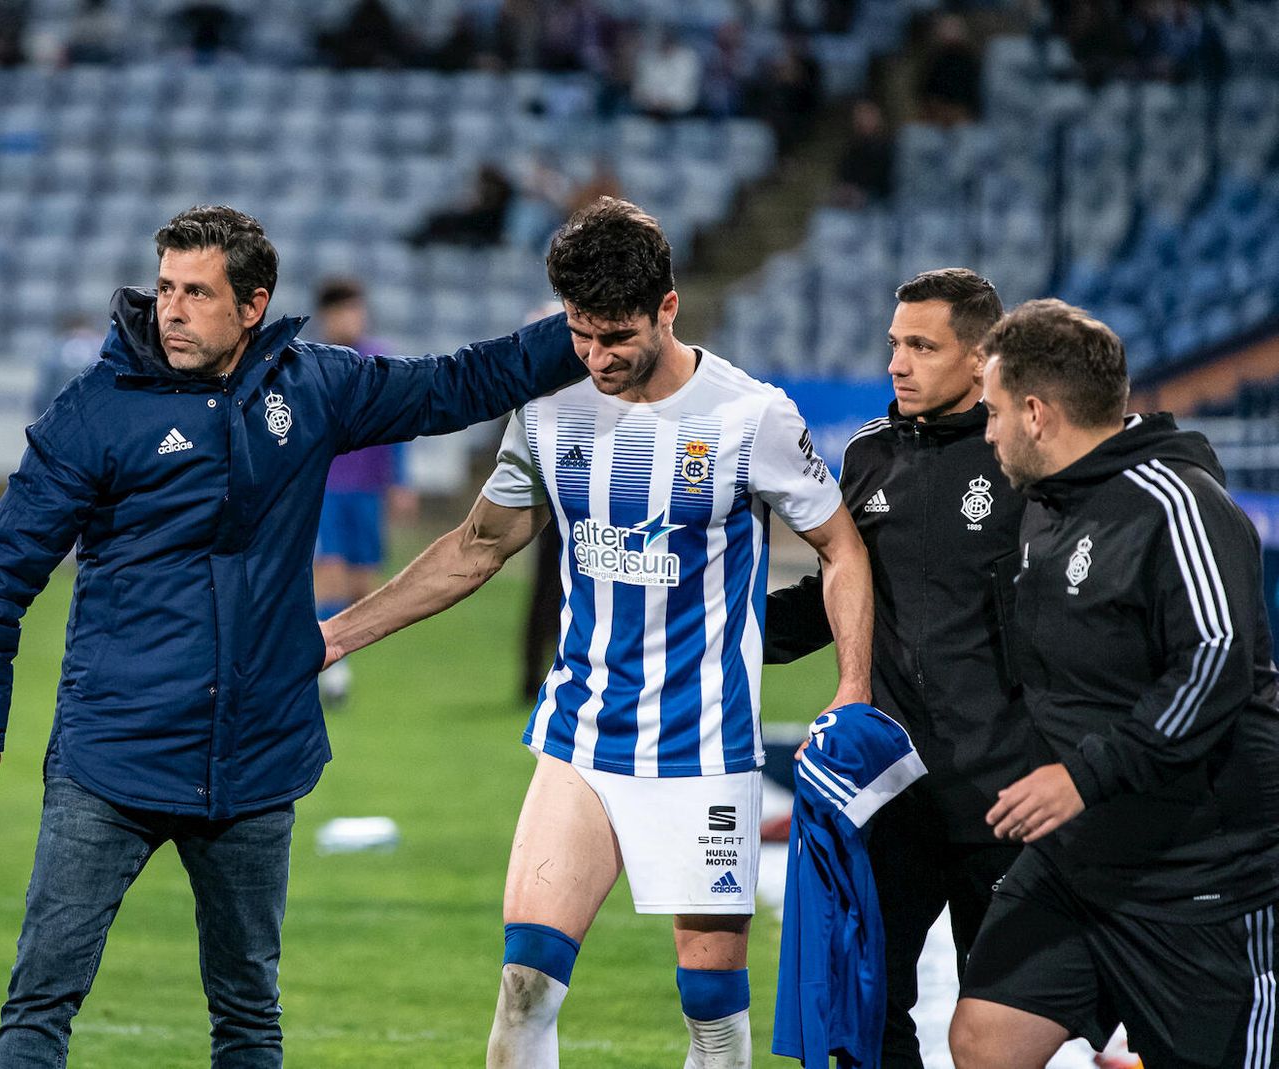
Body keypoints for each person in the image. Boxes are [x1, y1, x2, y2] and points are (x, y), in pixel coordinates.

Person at [0, 204, 585, 1068]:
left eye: (196, 293)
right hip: (113, 756)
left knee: (248, 1015)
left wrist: (587, 325)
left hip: (254, 760)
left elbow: (454, 384)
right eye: (166, 287)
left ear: (252, 305)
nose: (171, 309)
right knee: (40, 1001)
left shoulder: (311, 387)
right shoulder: (95, 412)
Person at [321, 197, 874, 1068]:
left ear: (668, 307)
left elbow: (842, 548)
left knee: (713, 1017)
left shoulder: (750, 416)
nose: (596, 356)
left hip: (702, 746)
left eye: (616, 336)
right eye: (580, 332)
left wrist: (851, 689)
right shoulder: (550, 405)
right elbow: (478, 546)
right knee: (524, 984)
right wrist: (333, 638)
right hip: (581, 734)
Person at [949, 299, 1279, 1068]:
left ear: (1036, 413)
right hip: (1081, 857)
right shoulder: (1046, 506)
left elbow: (1215, 660)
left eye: (992, 411)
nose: (987, 431)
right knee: (986, 1037)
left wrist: (1083, 776)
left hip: (1204, 872)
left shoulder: (1178, 503)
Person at [764, 268, 1032, 1069]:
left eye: (921, 346)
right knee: (867, 1006)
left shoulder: (1024, 460)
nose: (897, 363)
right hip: (892, 788)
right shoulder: (869, 454)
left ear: (980, 356)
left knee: (1002, 1028)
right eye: (894, 344)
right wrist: (725, 630)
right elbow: (840, 594)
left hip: (1003, 792)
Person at [311, 277, 416, 706]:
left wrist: (401, 481)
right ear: (327, 316)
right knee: (330, 570)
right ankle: (331, 671)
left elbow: (397, 427)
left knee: (362, 583)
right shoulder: (313, 364)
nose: (351, 319)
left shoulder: (379, 361)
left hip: (368, 489)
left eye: (356, 310)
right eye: (343, 311)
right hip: (327, 487)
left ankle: (334, 652)